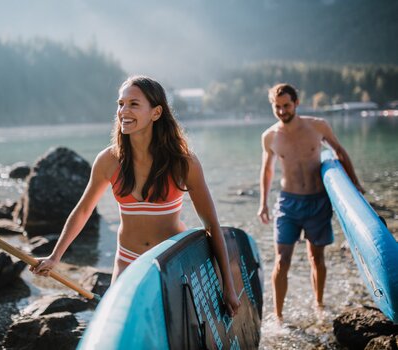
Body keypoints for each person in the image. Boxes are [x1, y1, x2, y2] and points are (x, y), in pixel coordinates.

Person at [31, 75, 241, 316]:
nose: (123, 111)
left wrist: (229, 286)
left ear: (156, 112)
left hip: (169, 263)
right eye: (121, 104)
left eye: (133, 104)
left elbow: (211, 224)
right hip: (127, 261)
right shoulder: (108, 161)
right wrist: (55, 257)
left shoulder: (184, 163)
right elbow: (83, 211)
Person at [257, 83, 364, 322]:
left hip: (317, 202)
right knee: (282, 260)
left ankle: (318, 304)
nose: (282, 111)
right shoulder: (270, 136)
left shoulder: (318, 126)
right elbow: (266, 171)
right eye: (277, 107)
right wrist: (263, 203)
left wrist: (355, 183)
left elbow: (340, 151)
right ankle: (279, 316)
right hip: (288, 204)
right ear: (273, 107)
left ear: (296, 103)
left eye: (286, 105)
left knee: (317, 257)